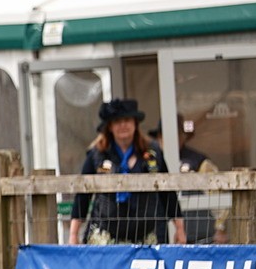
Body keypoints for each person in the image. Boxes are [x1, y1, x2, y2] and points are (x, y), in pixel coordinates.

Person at [69, 98, 187, 245]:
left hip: (147, 233)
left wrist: (180, 228)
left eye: (127, 120)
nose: (123, 125)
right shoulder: (97, 154)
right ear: (110, 127)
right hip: (105, 234)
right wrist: (74, 234)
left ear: (135, 124)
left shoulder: (153, 152)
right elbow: (82, 196)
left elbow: (167, 192)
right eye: (117, 121)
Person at [150, 117, 228, 244]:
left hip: (198, 235)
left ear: (183, 136)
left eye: (177, 134)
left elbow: (218, 195)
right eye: (164, 135)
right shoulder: (151, 161)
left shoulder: (199, 162)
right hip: (159, 233)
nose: (171, 139)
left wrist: (220, 227)